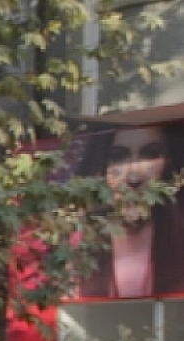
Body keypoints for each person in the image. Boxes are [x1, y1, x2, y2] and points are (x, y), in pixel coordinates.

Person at [75, 123, 184, 298]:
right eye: (118, 157)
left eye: (150, 154)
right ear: (100, 169)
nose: (133, 177)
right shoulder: (75, 248)